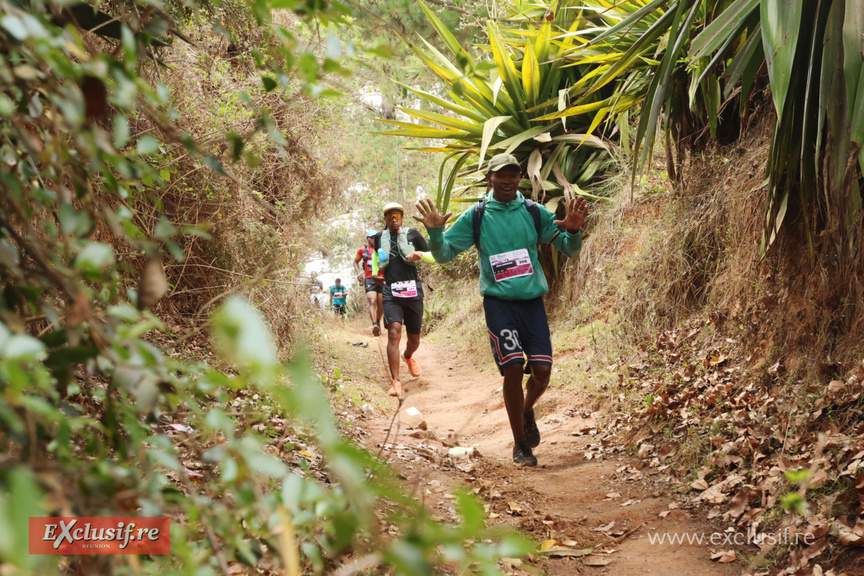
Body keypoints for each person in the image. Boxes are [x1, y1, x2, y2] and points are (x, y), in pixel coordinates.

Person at [414, 153, 589, 467]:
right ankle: (521, 445)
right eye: (501, 175)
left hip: (532, 303)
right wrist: (437, 233)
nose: (507, 181)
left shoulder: (535, 213)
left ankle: (525, 409)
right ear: (489, 179)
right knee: (511, 368)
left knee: (543, 372)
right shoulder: (477, 216)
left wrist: (574, 231)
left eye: (513, 175)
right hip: (498, 305)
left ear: (519, 177)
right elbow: (444, 255)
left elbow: (569, 250)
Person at [371, 202, 434, 398]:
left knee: (414, 339)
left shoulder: (412, 234)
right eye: (390, 216)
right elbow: (375, 258)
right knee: (393, 333)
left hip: (413, 291)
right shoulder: (379, 237)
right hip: (391, 292)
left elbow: (434, 255)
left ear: (402, 217)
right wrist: (375, 275)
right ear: (385, 220)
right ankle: (395, 381)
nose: (394, 219)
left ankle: (408, 356)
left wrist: (420, 254)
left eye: (397, 215)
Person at [354, 229, 384, 336]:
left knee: (381, 304)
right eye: (371, 238)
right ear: (367, 238)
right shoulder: (363, 250)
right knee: (372, 301)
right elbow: (355, 262)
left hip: (381, 278)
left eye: (375, 238)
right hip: (369, 279)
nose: (373, 240)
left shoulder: (382, 248)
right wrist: (358, 273)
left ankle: (378, 321)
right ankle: (374, 324)